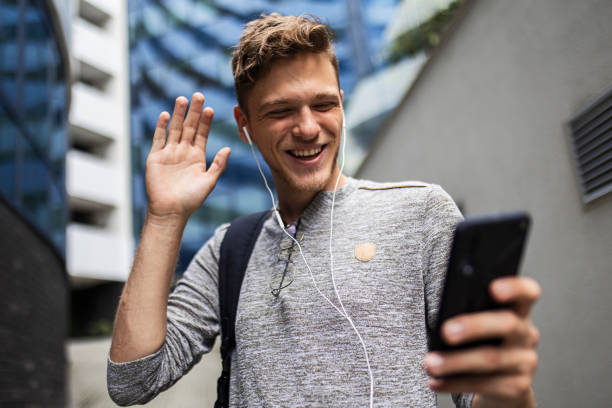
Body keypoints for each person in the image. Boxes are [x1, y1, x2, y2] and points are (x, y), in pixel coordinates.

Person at [107, 13, 540, 407]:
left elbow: (477, 390)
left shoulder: (421, 211)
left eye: (324, 104)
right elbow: (132, 382)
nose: (308, 127)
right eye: (280, 111)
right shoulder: (228, 250)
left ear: (342, 102)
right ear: (245, 125)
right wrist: (164, 217)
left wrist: (507, 389)